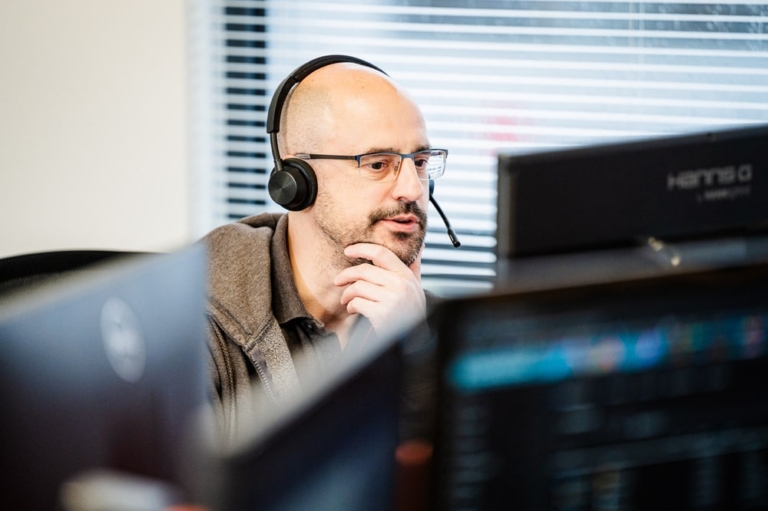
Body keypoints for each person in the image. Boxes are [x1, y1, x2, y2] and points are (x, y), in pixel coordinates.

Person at [203, 55, 447, 444]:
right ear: (296, 181)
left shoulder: (417, 321)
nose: (413, 190)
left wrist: (419, 356)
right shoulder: (198, 325)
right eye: (378, 164)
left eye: (418, 161)